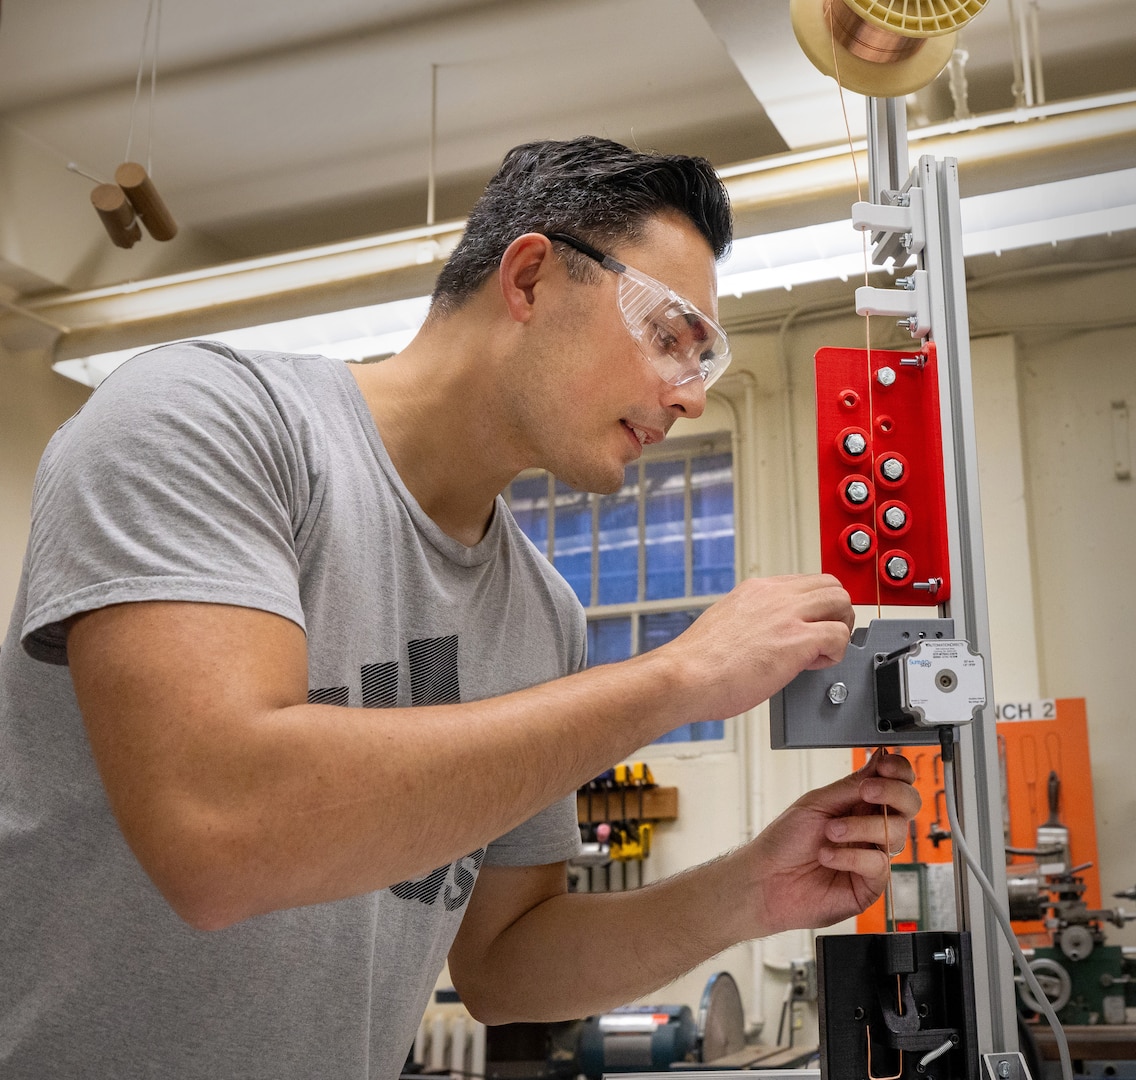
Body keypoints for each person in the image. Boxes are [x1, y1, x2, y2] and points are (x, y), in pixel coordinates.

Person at [0, 136, 919, 1078]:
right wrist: (678, 677)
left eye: (706, 359)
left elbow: (505, 965)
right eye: (669, 335)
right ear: (529, 279)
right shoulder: (205, 421)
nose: (687, 395)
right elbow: (219, 832)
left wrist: (752, 891)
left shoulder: (540, 613)